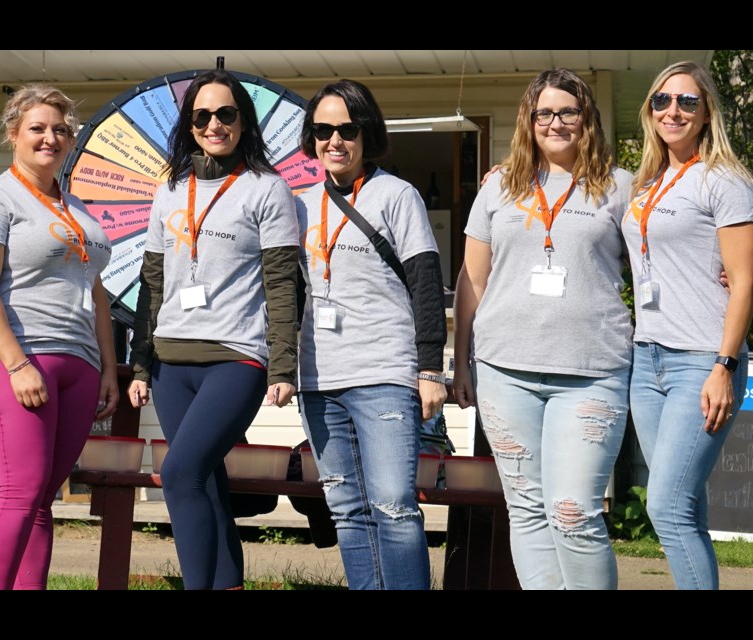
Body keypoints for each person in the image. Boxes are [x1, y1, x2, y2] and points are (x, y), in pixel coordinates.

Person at [453, 68, 634, 589]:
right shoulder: (498, 185)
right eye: (544, 113)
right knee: (528, 510)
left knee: (574, 513)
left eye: (568, 112)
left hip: (592, 371)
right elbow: (473, 279)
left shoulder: (620, 187)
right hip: (503, 370)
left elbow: (659, 252)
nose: (556, 123)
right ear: (528, 122)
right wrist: (461, 361)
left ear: (587, 118)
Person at [127, 69, 298, 590]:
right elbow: (151, 283)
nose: (214, 124)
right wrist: (140, 361)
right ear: (189, 123)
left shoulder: (267, 189)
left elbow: (283, 284)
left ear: (243, 121)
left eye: (225, 114)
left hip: (236, 357)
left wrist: (282, 363)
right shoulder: (170, 190)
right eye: (202, 115)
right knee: (206, 480)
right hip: (170, 362)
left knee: (179, 474)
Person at [0, 84, 119, 590]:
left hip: (80, 364)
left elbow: (98, 295)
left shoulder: (77, 209)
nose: (50, 138)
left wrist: (109, 368)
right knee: (21, 493)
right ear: (13, 135)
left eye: (60, 129)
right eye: (38, 128)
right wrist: (17, 364)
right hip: (16, 362)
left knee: (43, 499)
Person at [295, 79, 447, 590]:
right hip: (318, 378)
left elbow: (426, 281)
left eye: (346, 128)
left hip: (384, 372)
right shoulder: (298, 204)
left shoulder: (396, 195)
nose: (333, 141)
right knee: (346, 510)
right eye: (322, 130)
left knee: (394, 508)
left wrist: (430, 370)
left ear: (367, 132)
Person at [623, 61, 753, 590]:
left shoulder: (725, 179)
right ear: (650, 109)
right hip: (646, 360)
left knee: (667, 507)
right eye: (662, 100)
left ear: (706, 115)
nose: (672, 111)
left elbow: (744, 282)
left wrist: (724, 364)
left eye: (687, 102)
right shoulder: (644, 182)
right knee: (686, 505)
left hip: (701, 359)